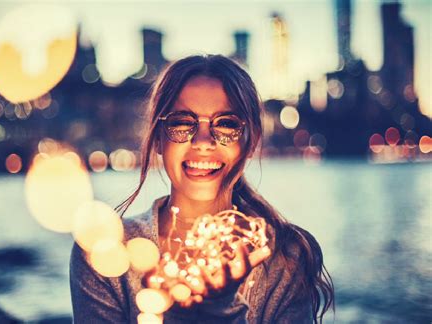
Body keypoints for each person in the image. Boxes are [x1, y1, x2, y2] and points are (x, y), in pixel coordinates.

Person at [70, 54, 334, 323]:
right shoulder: (105, 250)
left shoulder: (286, 257)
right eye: (182, 122)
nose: (203, 141)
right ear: (158, 138)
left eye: (226, 123)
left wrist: (221, 309)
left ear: (251, 141)